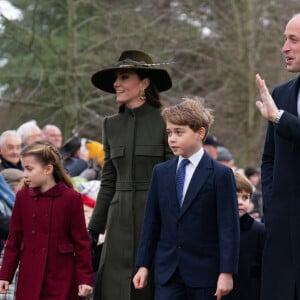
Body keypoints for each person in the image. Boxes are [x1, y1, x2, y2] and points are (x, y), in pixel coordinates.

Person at [133, 98, 240, 300]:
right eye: (169, 133)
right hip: (167, 273)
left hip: (205, 274)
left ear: (200, 133)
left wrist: (227, 272)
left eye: (179, 132)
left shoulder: (221, 175)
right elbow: (151, 222)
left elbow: (228, 227)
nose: (172, 139)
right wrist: (143, 264)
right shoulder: (160, 172)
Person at [88, 49, 173, 300]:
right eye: (116, 78)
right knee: (113, 287)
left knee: (148, 287)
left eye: (124, 77)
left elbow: (171, 178)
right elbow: (108, 181)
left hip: (154, 216)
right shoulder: (110, 124)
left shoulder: (166, 121)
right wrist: (94, 229)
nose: (117, 84)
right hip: (117, 222)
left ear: (144, 83)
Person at [0, 141, 93, 299]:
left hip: (61, 277)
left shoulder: (71, 198)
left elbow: (81, 242)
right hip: (29, 276)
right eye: (23, 168)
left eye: (29, 169)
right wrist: (5, 275)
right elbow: (14, 240)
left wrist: (84, 278)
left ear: (48, 169)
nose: (25, 174)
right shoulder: (22, 198)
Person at [255, 13, 300, 300]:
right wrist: (272, 206)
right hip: (284, 236)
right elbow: (269, 160)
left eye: (293, 40)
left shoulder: (278, 109)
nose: (284, 47)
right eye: (285, 39)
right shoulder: (280, 95)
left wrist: (281, 119)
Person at [224, 171, 265, 300]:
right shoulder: (215, 228)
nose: (240, 202)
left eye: (245, 197)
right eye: (235, 196)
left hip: (250, 292)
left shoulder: (259, 230)